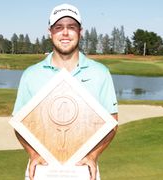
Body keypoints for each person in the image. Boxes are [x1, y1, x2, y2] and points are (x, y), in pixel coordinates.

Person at [12, 3, 118, 180]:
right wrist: (32, 154)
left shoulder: (100, 73)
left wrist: (93, 156)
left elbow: (112, 123)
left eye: (72, 27)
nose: (65, 33)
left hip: (83, 169)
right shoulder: (31, 74)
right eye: (59, 27)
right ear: (50, 32)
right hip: (42, 168)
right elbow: (20, 124)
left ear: (80, 31)